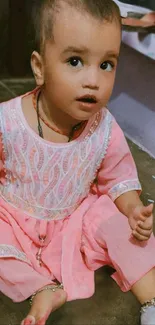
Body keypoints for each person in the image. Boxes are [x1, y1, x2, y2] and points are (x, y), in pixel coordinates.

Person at [0, 1, 155, 325]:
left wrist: (131, 211)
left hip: (76, 219)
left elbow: (118, 179)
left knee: (124, 229)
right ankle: (42, 288)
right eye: (75, 61)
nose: (93, 81)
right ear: (39, 67)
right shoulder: (8, 122)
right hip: (13, 221)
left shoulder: (104, 128)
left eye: (107, 65)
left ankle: (151, 299)